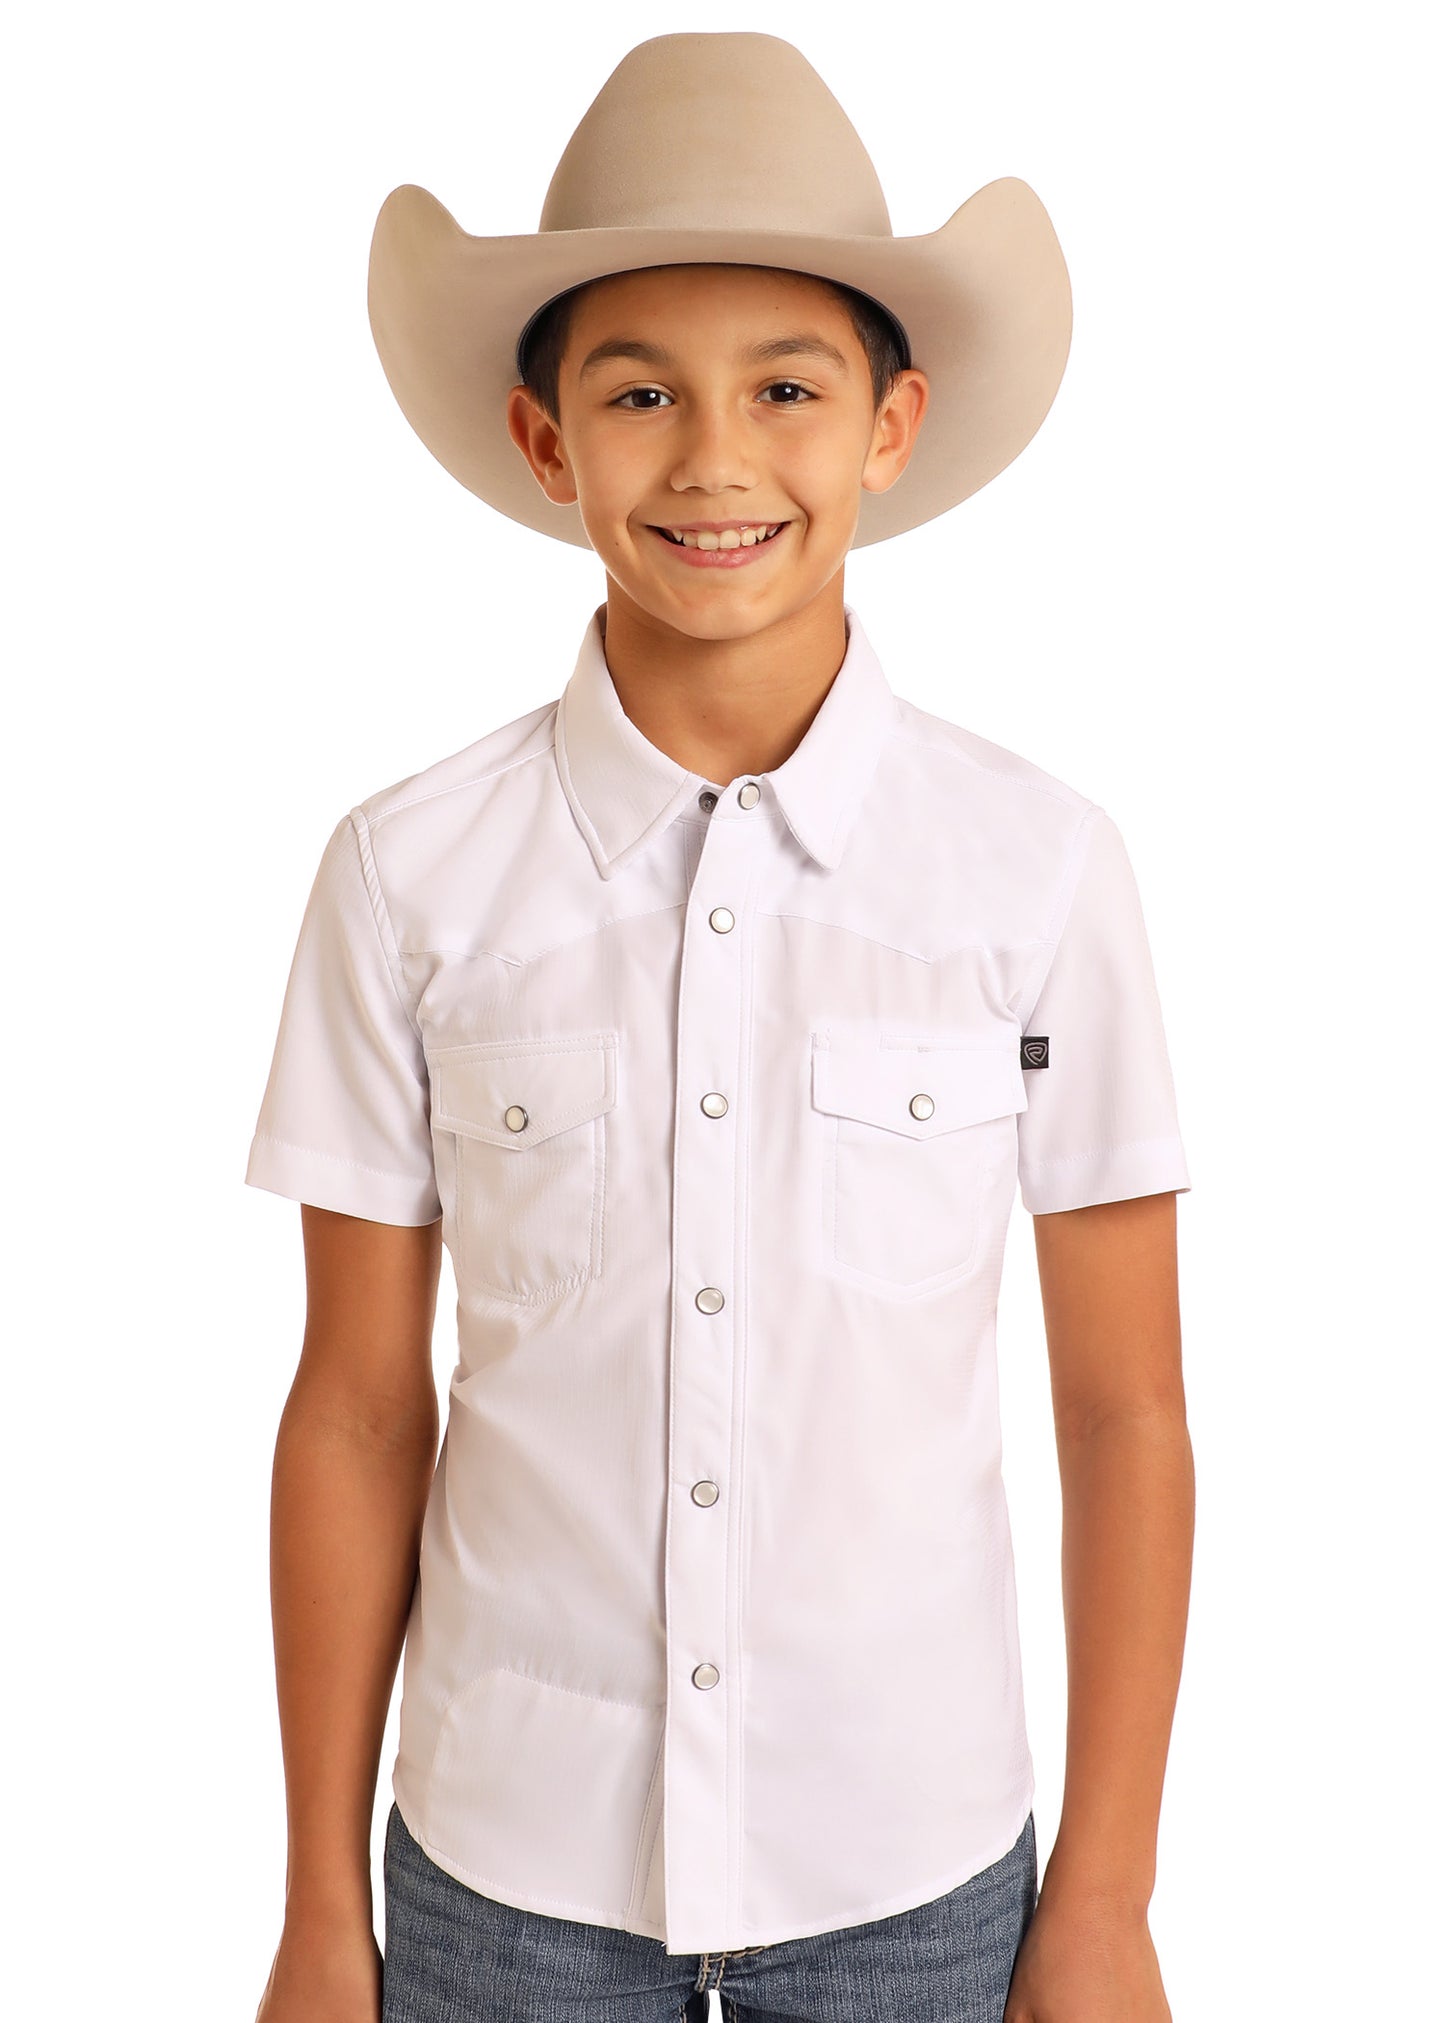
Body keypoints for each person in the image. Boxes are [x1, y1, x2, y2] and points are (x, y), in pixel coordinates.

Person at [247, 32, 1194, 2023]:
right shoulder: (411, 877)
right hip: (505, 1886)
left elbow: (1125, 1409)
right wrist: (322, 1912)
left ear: (890, 426)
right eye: (640, 393)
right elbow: (351, 1404)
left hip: (917, 1886)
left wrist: (1102, 1897)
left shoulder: (1037, 871)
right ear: (544, 441)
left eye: (786, 387)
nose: (712, 460)